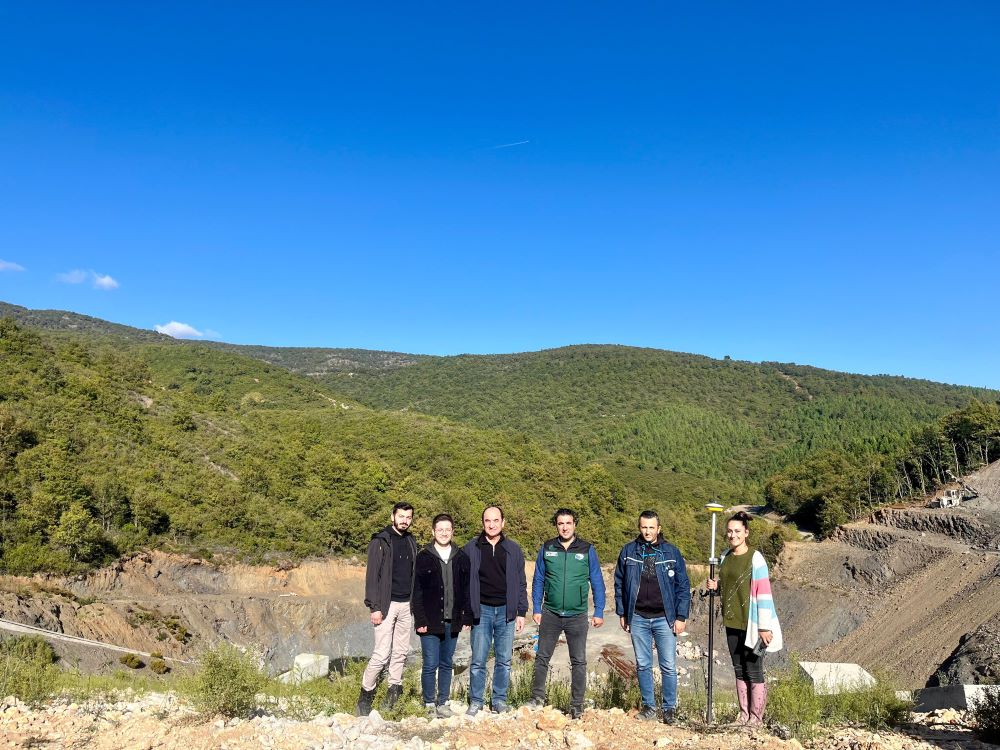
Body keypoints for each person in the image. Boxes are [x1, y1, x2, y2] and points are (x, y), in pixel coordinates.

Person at [705, 510, 782, 727]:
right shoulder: (725, 557)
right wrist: (717, 587)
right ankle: (743, 715)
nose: (732, 535)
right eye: (729, 531)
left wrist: (764, 627)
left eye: (737, 531)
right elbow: (732, 585)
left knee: (754, 669)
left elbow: (764, 593)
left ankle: (756, 718)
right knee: (738, 668)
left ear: (746, 532)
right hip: (732, 622)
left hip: (753, 624)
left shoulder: (756, 558)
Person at [527, 508, 606, 719]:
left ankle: (577, 705)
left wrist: (599, 610)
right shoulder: (547, 547)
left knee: (578, 661)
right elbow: (539, 580)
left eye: (568, 523)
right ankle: (536, 698)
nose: (564, 527)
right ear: (556, 525)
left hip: (577, 615)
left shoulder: (587, 549)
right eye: (560, 523)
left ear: (574, 525)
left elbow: (597, 581)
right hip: (550, 613)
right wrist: (536, 607)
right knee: (542, 657)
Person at [614, 510, 691, 724]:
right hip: (637, 616)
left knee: (668, 665)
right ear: (639, 527)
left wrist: (681, 615)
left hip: (665, 617)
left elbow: (683, 586)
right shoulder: (629, 551)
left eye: (651, 527)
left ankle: (669, 709)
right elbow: (619, 583)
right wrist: (622, 612)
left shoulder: (671, 552)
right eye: (644, 527)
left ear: (659, 528)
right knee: (643, 664)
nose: (647, 531)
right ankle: (649, 707)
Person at [463, 505, 528, 715]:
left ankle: (499, 700)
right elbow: (462, 582)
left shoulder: (513, 549)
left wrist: (521, 611)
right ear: (482, 523)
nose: (491, 525)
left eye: (495, 520)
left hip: (506, 612)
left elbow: (521, 583)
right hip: (481, 611)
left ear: (503, 522)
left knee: (504, 660)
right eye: (487, 521)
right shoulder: (471, 548)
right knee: (478, 660)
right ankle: (476, 701)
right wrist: (465, 611)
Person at [357, 501, 418, 716]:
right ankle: (366, 694)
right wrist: (374, 607)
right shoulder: (381, 541)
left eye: (408, 517)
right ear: (393, 516)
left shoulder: (411, 541)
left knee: (400, 652)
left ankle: (394, 692)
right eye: (401, 516)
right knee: (382, 654)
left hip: (405, 605)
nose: (404, 520)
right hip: (386, 604)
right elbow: (372, 576)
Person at [412, 513, 473, 717]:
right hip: (429, 622)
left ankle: (443, 702)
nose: (444, 533)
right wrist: (419, 619)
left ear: (452, 531)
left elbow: (466, 590)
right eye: (440, 529)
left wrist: (467, 616)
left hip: (452, 620)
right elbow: (417, 591)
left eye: (448, 529)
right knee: (430, 663)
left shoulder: (461, 557)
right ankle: (429, 703)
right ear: (433, 532)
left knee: (447, 663)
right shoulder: (423, 557)